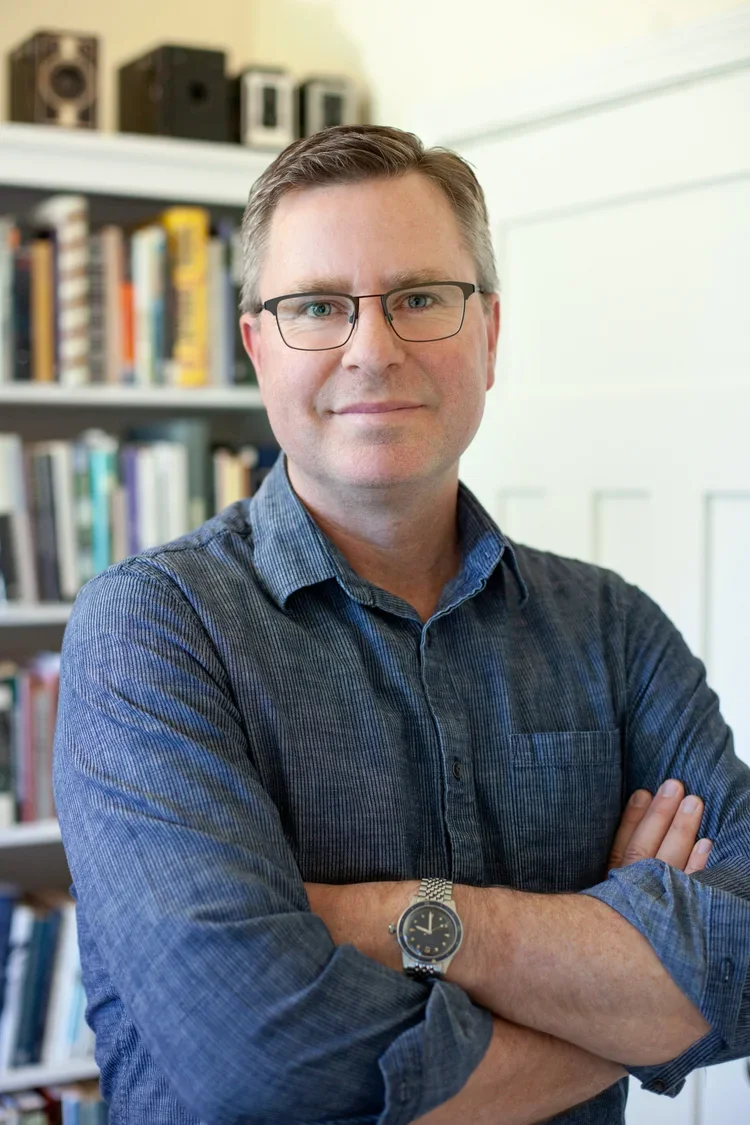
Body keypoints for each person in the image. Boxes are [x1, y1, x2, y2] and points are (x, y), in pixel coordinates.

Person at [52, 125, 750, 1125]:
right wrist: (621, 984)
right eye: (318, 307)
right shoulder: (153, 632)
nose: (372, 349)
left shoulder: (615, 632)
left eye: (421, 297)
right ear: (257, 346)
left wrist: (411, 922)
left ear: (490, 334)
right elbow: (267, 1071)